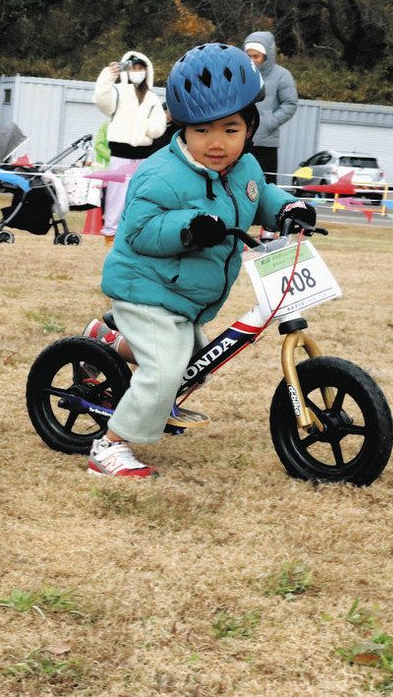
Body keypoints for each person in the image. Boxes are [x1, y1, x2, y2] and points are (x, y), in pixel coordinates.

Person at [89, 43, 316, 478]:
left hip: (184, 296)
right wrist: (190, 228)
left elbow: (259, 196)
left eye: (231, 130)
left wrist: (287, 208)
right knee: (167, 370)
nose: (217, 144)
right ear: (181, 129)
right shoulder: (161, 174)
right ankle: (109, 447)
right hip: (147, 289)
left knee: (196, 362)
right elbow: (137, 231)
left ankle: (107, 339)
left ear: (250, 128)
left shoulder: (245, 166)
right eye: (203, 131)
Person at [92, 51, 166, 244]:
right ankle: (110, 233)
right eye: (133, 68)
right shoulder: (117, 92)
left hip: (143, 155)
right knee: (116, 197)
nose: (137, 72)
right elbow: (100, 98)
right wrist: (109, 74)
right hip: (119, 153)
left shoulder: (152, 98)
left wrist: (145, 128)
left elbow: (159, 127)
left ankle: (136, 231)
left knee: (141, 194)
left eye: (141, 68)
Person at [243, 31, 298, 180]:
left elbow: (290, 103)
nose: (252, 60)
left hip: (266, 144)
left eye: (256, 56)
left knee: (265, 184)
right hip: (240, 139)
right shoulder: (240, 73)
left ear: (267, 56)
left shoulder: (282, 75)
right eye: (249, 55)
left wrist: (268, 123)